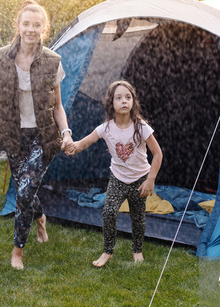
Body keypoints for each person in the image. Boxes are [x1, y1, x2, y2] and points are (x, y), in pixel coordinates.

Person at [0, 0, 73, 270]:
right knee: (26, 190)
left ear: (44, 28)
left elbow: (58, 106)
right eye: (26, 24)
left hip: (43, 137)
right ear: (18, 26)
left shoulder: (53, 61)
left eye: (37, 25)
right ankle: (40, 218)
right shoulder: (1, 58)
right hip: (13, 136)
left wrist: (65, 133)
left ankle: (17, 250)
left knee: (23, 193)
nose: (31, 29)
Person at [64, 80, 163, 267]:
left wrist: (151, 179)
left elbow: (158, 154)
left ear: (133, 101)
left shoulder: (141, 127)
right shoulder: (106, 128)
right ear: (111, 103)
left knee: (138, 218)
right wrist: (71, 147)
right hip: (117, 179)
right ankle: (108, 251)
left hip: (140, 180)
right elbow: (83, 144)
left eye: (128, 97)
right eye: (119, 98)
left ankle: (137, 250)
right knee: (109, 212)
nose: (124, 101)